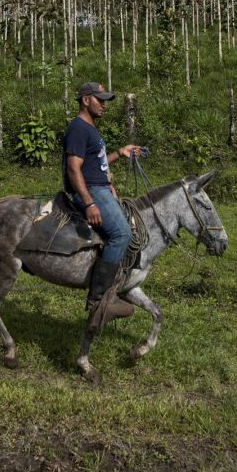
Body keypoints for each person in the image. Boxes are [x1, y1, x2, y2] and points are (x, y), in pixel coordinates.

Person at [63, 81, 142, 325]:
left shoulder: (90, 129)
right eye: (100, 100)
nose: (104, 105)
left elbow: (95, 163)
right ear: (86, 99)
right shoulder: (78, 128)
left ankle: (116, 284)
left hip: (100, 188)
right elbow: (73, 168)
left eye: (105, 100)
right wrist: (89, 203)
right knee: (121, 233)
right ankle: (97, 300)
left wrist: (120, 152)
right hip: (92, 191)